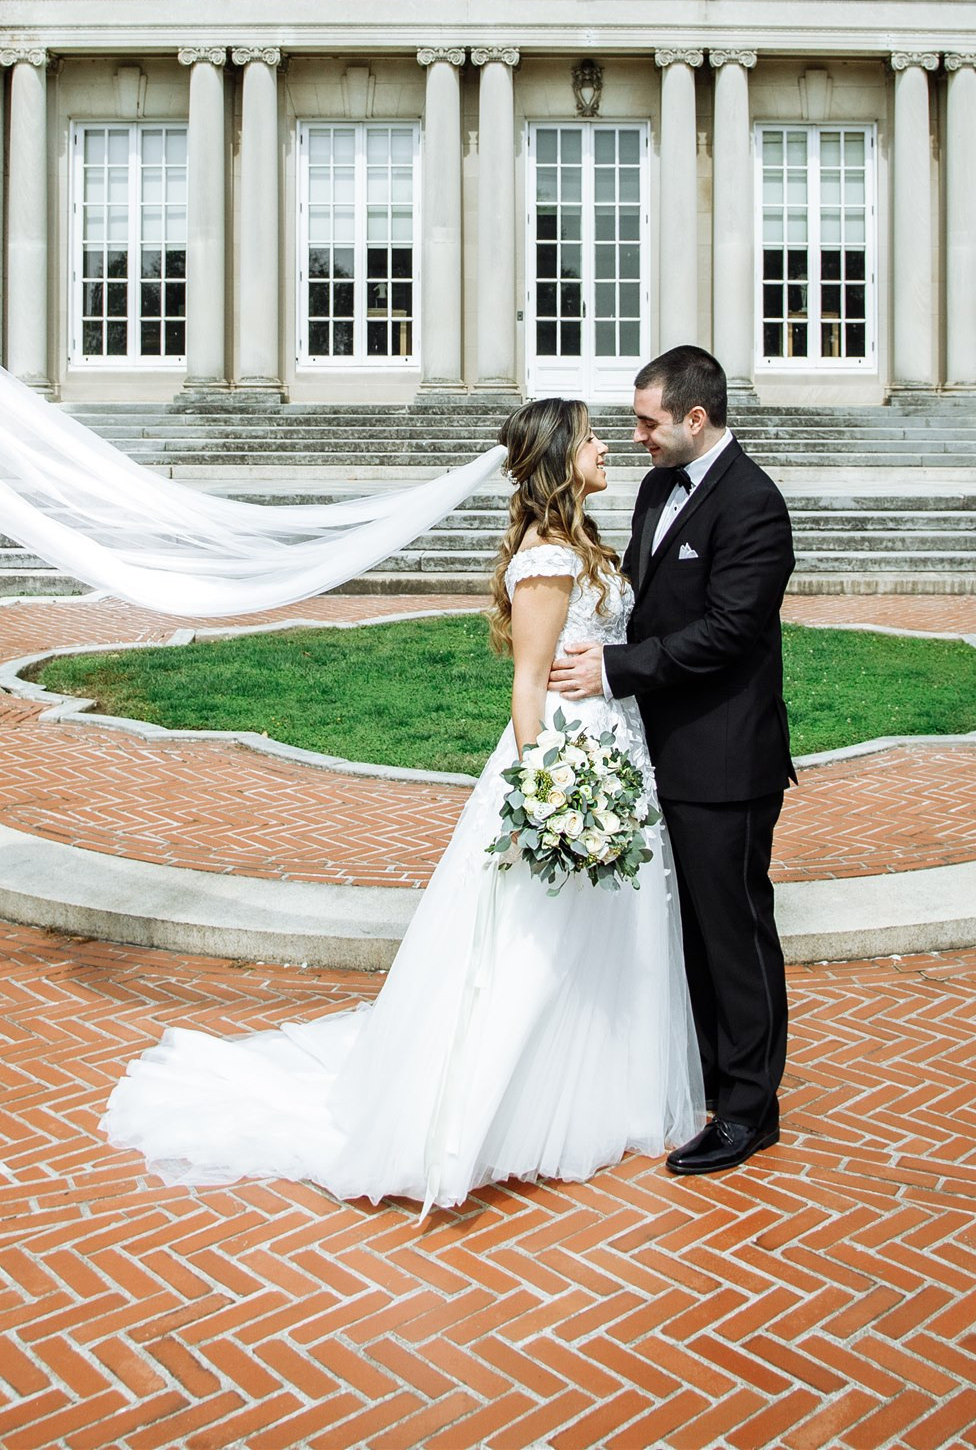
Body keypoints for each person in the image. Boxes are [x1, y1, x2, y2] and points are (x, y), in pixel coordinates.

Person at [101, 397, 702, 1211]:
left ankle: (601, 1088)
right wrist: (548, 796)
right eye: (594, 437)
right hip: (568, 755)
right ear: (563, 458)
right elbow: (527, 687)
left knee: (598, 934)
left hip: (612, 744)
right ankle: (506, 1108)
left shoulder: (578, 542)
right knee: (541, 943)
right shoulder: (551, 558)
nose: (607, 448)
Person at [550, 346, 796, 1176]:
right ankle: (714, 1078)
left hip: (728, 757)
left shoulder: (755, 504)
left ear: (696, 418)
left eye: (648, 422)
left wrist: (614, 670)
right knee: (690, 928)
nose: (637, 437)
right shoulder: (657, 488)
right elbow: (646, 600)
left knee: (734, 931)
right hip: (661, 750)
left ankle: (748, 1110)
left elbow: (730, 631)